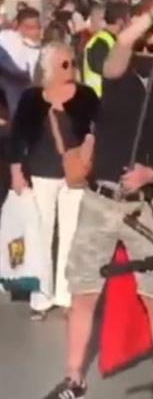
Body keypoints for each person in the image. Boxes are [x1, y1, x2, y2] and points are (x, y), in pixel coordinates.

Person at [38, 0, 153, 399]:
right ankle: (74, 378)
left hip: (146, 206)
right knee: (83, 292)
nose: (152, 48)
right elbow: (121, 42)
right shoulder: (120, 80)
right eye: (148, 40)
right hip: (100, 202)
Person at [10, 41, 99, 318]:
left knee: (72, 234)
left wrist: (90, 146)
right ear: (48, 67)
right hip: (41, 171)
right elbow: (18, 137)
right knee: (42, 234)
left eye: (72, 62)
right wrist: (16, 172)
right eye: (64, 64)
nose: (70, 68)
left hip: (75, 174)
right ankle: (42, 297)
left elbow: (100, 126)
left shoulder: (86, 95)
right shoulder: (32, 98)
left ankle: (65, 294)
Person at [82, 1, 131, 97]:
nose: (131, 24)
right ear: (120, 22)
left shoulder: (112, 40)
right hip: (98, 103)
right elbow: (108, 72)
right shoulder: (100, 43)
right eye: (129, 20)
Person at [0, 7, 43, 114]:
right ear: (18, 26)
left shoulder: (40, 50)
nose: (35, 32)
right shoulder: (6, 40)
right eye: (29, 28)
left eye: (37, 27)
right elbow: (17, 69)